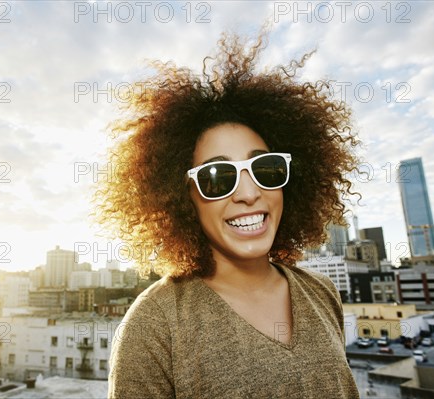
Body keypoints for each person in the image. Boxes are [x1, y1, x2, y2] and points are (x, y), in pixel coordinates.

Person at [96, 31, 361, 398]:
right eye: (217, 178)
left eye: (264, 169)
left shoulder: (322, 293)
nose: (249, 194)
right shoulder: (154, 323)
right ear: (182, 197)